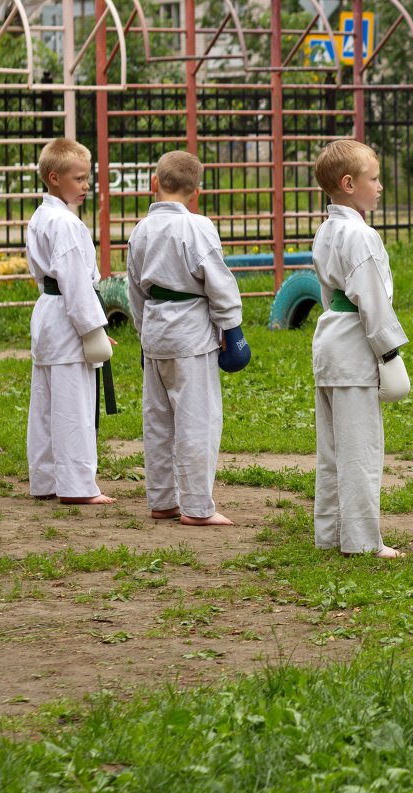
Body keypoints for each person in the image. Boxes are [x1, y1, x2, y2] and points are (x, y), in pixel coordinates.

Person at [126, 150, 246, 526]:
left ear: (154, 184)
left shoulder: (140, 229)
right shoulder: (198, 226)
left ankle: (162, 500)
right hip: (191, 335)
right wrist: (232, 328)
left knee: (158, 420)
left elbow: (133, 289)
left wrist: (142, 330)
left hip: (155, 330)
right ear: (196, 192)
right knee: (197, 420)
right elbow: (219, 282)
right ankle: (196, 507)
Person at [310, 139, 409, 558]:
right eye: (374, 179)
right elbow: (372, 300)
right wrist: (390, 353)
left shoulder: (327, 229)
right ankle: (363, 542)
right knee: (361, 452)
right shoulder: (361, 235)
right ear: (348, 183)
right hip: (353, 347)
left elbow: (327, 292)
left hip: (330, 338)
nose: (380, 186)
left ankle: (330, 534)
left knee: (332, 451)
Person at [25, 138, 115, 505]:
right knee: (72, 404)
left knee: (46, 403)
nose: (85, 185)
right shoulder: (65, 224)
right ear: (54, 177)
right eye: (77, 179)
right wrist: (94, 331)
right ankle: (77, 486)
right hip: (66, 314)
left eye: (87, 178)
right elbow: (76, 283)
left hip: (49, 311)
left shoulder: (42, 216)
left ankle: (46, 479)